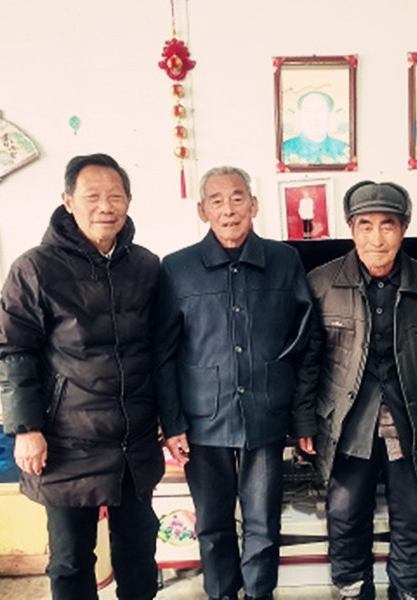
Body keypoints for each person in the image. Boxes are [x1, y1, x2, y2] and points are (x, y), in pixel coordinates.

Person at [0, 153, 164, 600]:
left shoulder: (146, 266)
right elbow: (14, 351)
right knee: (70, 561)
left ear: (128, 201)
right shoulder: (35, 268)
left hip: (133, 440)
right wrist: (26, 429)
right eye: (92, 196)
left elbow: (162, 350)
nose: (106, 206)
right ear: (68, 201)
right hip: (67, 441)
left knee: (139, 554)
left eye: (116, 196)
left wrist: (170, 419)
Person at [293, 180, 417, 600]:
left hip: (413, 420)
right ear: (351, 228)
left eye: (388, 225)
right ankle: (353, 590)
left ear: (404, 228)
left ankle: (409, 591)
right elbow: (307, 363)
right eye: (365, 225)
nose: (376, 238)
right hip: (346, 423)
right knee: (344, 514)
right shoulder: (320, 284)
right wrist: (303, 419)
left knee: (415, 515)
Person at [153, 166, 313, 600]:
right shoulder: (177, 268)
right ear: (202, 210)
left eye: (238, 198)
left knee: (263, 521)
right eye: (217, 200)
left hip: (265, 411)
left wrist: (291, 402)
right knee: (212, 523)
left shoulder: (284, 261)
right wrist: (172, 423)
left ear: (253, 205)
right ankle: (222, 593)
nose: (228, 210)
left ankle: (260, 593)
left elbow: (304, 339)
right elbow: (163, 353)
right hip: (203, 419)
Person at [283, 90, 350, 165]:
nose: (314, 117)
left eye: (320, 111)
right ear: (300, 115)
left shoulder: (344, 150)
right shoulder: (285, 149)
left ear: (330, 115)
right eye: (307, 111)